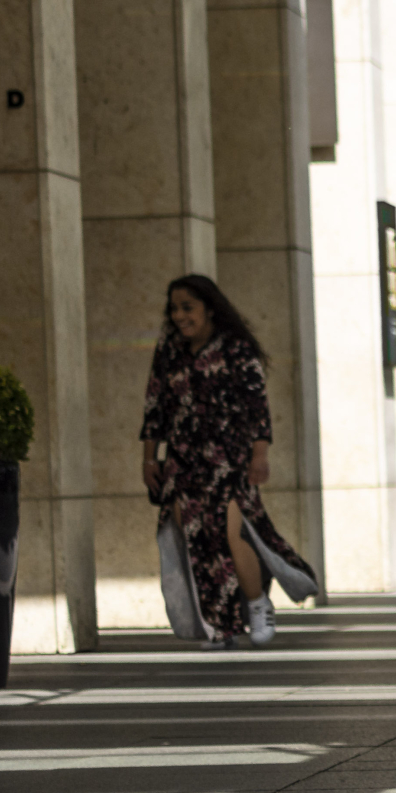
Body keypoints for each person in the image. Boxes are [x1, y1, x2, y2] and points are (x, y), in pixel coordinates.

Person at [141, 275, 320, 647]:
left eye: (187, 307)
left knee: (228, 533)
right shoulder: (169, 350)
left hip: (229, 459)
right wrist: (149, 459)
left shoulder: (236, 348)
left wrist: (260, 454)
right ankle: (218, 625)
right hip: (182, 461)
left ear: (209, 308)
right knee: (196, 543)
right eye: (174, 308)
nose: (179, 315)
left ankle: (257, 605)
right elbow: (155, 404)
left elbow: (257, 405)